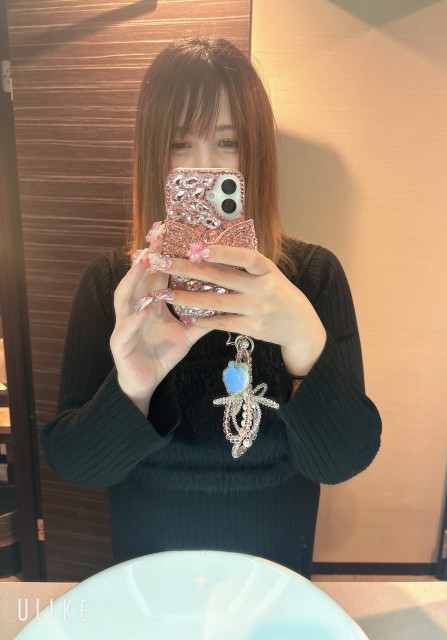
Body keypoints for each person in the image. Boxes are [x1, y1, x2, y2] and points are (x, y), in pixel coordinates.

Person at [41, 36, 382, 579]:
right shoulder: (115, 285)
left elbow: (342, 460)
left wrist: (303, 344)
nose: (204, 167)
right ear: (153, 157)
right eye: (180, 143)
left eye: (228, 142)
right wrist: (132, 389)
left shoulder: (313, 278)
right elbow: (78, 464)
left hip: (273, 572)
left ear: (256, 154)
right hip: (149, 572)